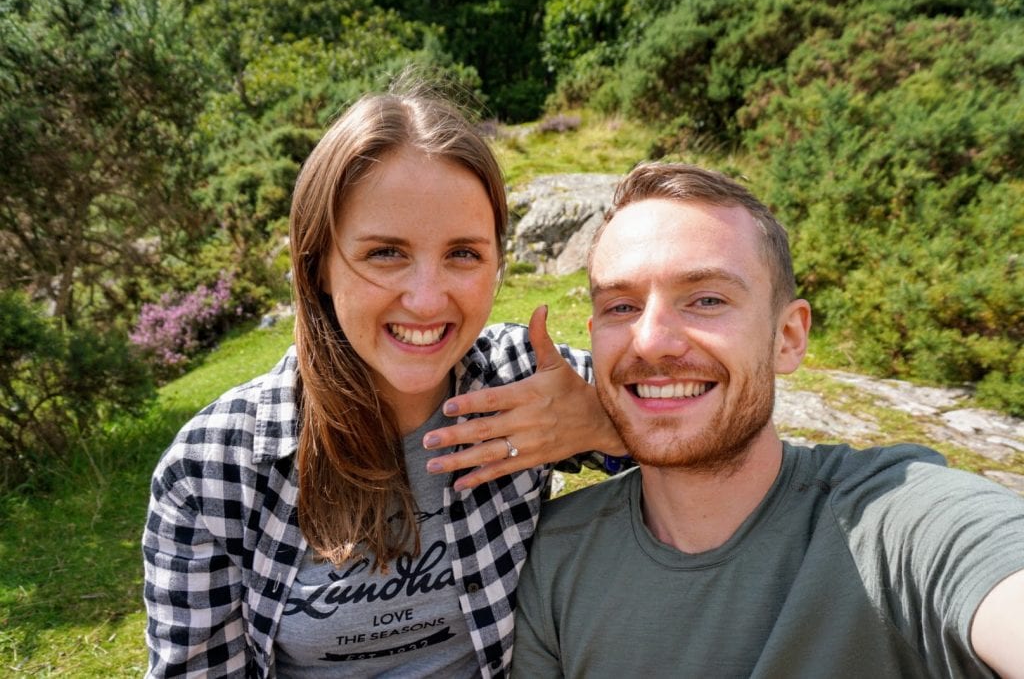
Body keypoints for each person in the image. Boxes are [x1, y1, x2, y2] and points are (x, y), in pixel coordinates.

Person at [142, 85, 625, 678]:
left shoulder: (525, 376)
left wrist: (606, 426)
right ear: (317, 263)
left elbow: (718, 442)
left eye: (463, 254)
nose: (427, 299)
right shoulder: (213, 469)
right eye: (386, 253)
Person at [511, 162, 1024, 678]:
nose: (650, 342)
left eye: (707, 300)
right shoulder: (558, 552)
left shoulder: (896, 521)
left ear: (788, 337)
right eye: (621, 307)